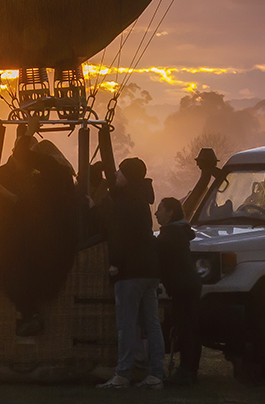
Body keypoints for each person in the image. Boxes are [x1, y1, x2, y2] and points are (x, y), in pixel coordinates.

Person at [0, 131, 77, 336]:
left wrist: (28, 131)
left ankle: (28, 314)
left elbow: (23, 203)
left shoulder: (52, 174)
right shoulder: (60, 176)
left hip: (51, 245)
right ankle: (28, 314)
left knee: (11, 268)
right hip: (56, 241)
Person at [98, 156, 165, 390]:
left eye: (119, 172)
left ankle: (123, 374)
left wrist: (115, 262)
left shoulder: (124, 201)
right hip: (150, 269)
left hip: (130, 271)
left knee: (126, 325)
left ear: (127, 176)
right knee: (152, 324)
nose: (115, 175)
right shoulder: (142, 200)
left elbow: (121, 235)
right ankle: (156, 374)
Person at [156, 196, 202, 386]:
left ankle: (185, 372)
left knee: (185, 328)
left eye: (160, 209)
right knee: (190, 327)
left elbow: (156, 253)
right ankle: (190, 370)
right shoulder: (179, 231)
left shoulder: (170, 233)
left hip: (182, 285)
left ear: (170, 212)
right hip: (189, 283)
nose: (156, 212)